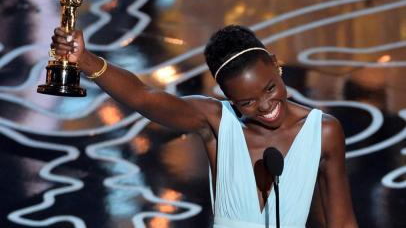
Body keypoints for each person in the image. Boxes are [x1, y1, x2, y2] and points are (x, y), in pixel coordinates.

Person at [50, 25, 358, 228]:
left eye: (269, 88)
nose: (265, 106)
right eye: (247, 102)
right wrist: (87, 61)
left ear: (276, 65)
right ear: (228, 97)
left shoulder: (324, 132)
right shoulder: (215, 121)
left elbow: (342, 222)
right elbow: (145, 97)